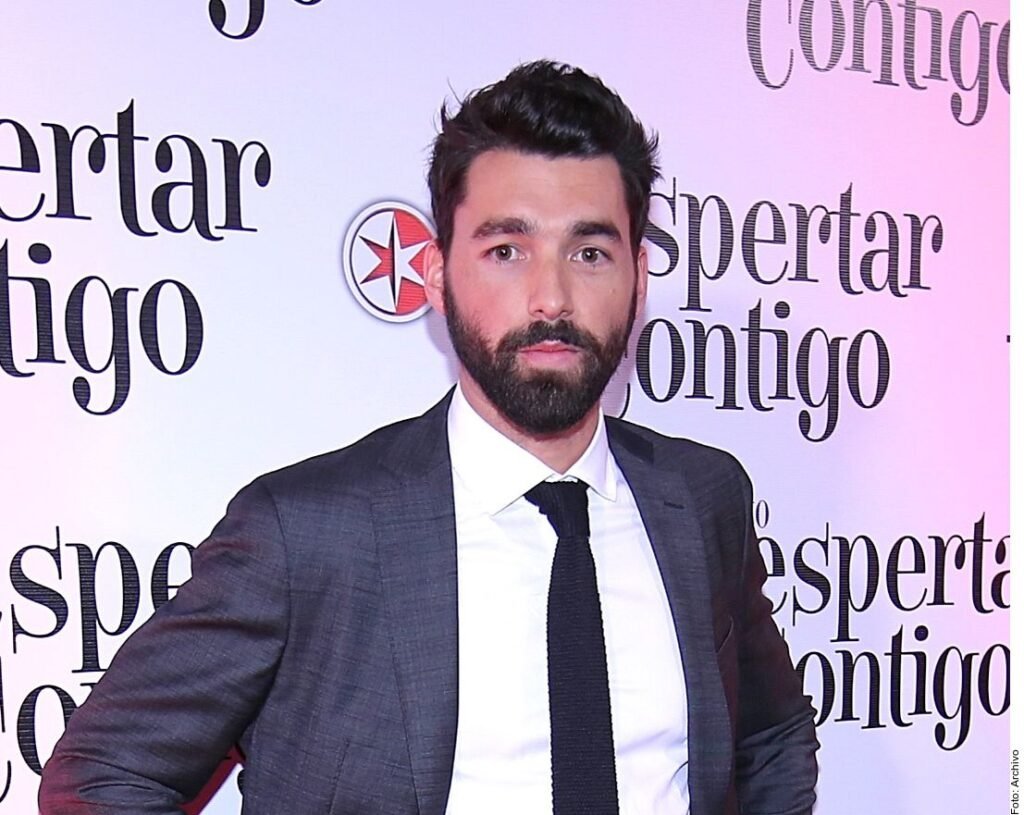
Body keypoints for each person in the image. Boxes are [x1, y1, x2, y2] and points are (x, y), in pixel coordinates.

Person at [39, 61, 818, 815]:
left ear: (639, 276)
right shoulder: (308, 531)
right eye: (506, 250)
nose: (551, 297)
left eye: (590, 252)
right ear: (438, 274)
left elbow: (771, 738)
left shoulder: (701, 499)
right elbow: (102, 775)